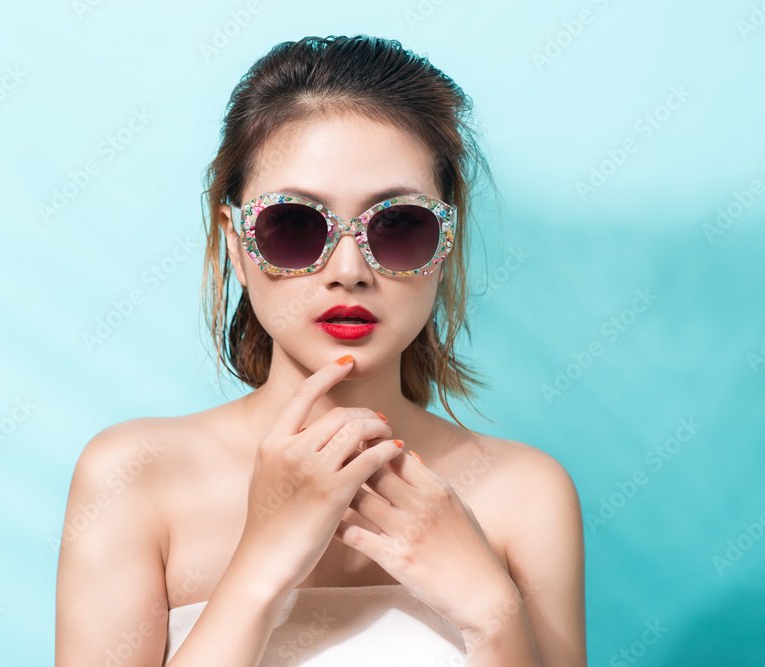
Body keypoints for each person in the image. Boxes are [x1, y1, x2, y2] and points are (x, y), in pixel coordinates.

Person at [55, 34, 587, 666]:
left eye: (398, 225)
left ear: (446, 244)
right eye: (294, 225)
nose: (349, 270)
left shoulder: (524, 494)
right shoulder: (134, 476)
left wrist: (491, 613)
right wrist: (261, 566)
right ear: (234, 244)